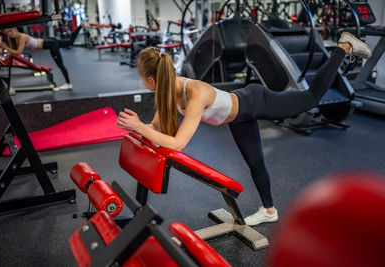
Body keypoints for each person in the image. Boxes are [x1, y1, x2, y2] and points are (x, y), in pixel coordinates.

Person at [116, 32, 372, 226]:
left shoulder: (194, 92)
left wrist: (140, 128)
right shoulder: (165, 92)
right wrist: (138, 128)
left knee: (311, 97)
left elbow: (178, 143)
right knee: (255, 163)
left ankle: (343, 46)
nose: (142, 82)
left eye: (142, 78)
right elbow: (155, 129)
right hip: (238, 116)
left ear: (151, 79)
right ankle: (270, 211)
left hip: (256, 101)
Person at [0, 25, 83, 90]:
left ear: (15, 29)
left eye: (10, 31)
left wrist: (6, 48)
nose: (10, 34)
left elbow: (18, 52)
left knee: (60, 65)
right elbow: (14, 51)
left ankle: (68, 84)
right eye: (7, 33)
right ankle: (80, 26)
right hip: (50, 42)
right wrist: (7, 54)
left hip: (52, 45)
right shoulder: (16, 38)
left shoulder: (22, 37)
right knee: (70, 42)